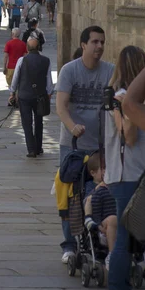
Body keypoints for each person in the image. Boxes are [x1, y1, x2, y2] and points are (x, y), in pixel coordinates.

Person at [102, 46, 145, 290]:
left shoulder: (132, 98)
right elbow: (130, 136)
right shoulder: (121, 98)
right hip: (126, 175)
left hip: (136, 173)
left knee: (134, 241)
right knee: (123, 240)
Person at [56, 26, 114, 264]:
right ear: (84, 45)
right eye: (95, 42)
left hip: (101, 146)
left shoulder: (110, 70)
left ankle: (101, 240)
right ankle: (69, 246)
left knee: (101, 193)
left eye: (102, 42)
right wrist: (73, 127)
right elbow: (61, 106)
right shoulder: (70, 71)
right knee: (71, 195)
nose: (99, 46)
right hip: (73, 145)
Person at [9, 38, 53, 157]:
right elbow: (49, 80)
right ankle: (38, 147)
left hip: (24, 96)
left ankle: (31, 149)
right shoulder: (46, 61)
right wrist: (49, 94)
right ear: (39, 47)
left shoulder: (22, 60)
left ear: (27, 48)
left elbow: (16, 77)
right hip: (40, 96)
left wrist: (12, 92)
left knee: (27, 123)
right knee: (39, 122)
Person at [83, 152, 117, 270]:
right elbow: (87, 202)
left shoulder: (115, 184)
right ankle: (112, 256)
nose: (106, 171)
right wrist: (98, 188)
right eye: (103, 168)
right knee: (113, 219)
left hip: (119, 221)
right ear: (93, 173)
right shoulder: (90, 186)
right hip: (101, 224)